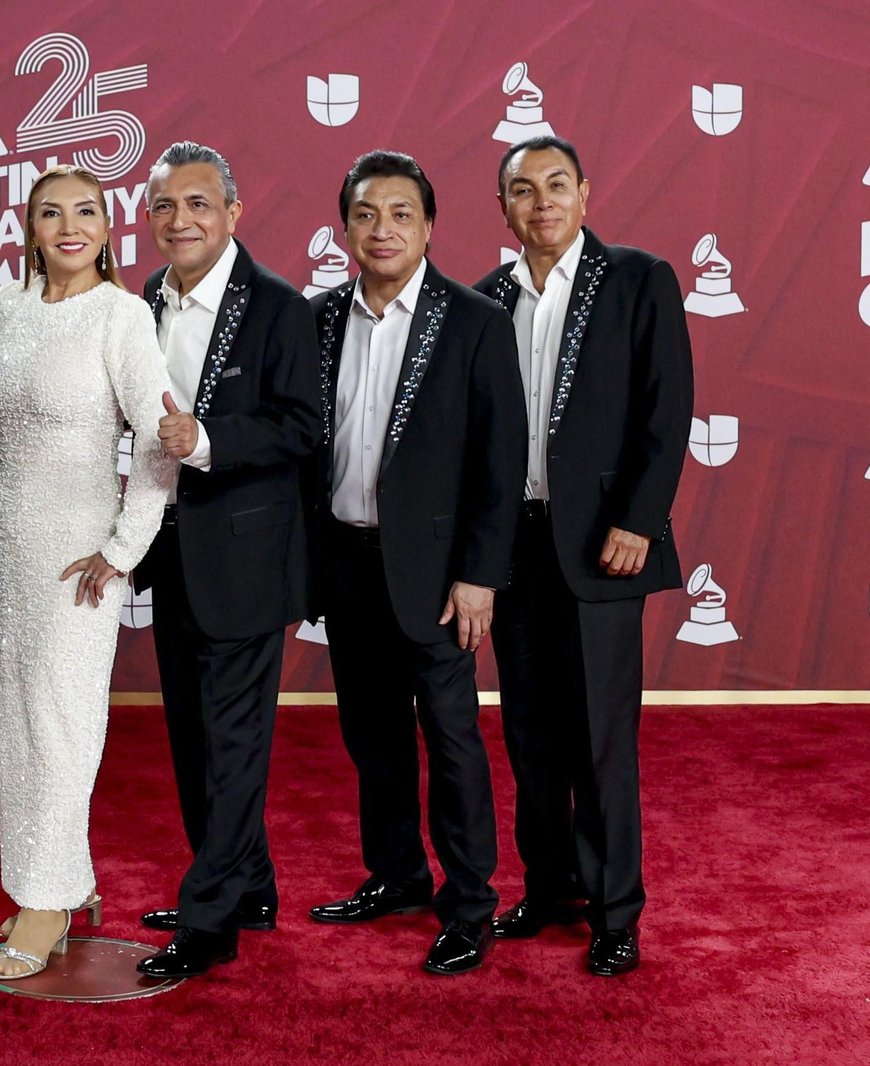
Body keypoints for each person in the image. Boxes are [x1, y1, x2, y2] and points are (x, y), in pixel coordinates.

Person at [473, 136, 693, 976]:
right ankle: (550, 885)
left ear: (585, 193)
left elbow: (666, 408)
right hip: (515, 546)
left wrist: (639, 517)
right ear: (504, 208)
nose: (542, 203)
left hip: (607, 546)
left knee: (601, 735)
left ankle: (615, 910)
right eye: (523, 191)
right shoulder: (487, 298)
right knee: (530, 731)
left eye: (556, 185)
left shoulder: (639, 279)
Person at [305, 151, 526, 975]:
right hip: (348, 564)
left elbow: (499, 465)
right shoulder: (318, 317)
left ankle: (470, 905)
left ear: (429, 226)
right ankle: (396, 874)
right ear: (346, 226)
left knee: (452, 738)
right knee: (373, 737)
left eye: (401, 213)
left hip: (439, 579)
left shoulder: (473, 322)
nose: (383, 229)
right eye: (366, 213)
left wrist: (480, 576)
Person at [0, 164, 174, 979]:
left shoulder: (120, 315)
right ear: (30, 227)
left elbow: (162, 441)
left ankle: (45, 903)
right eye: (51, 213)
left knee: (59, 729)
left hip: (77, 561)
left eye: (85, 211)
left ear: (107, 225)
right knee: (14, 725)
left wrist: (122, 551)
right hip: (4, 550)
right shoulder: (6, 306)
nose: (69, 227)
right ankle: (65, 880)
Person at [132, 142, 324, 980]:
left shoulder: (281, 307)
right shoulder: (140, 300)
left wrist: (208, 440)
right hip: (167, 548)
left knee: (234, 740)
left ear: (234, 213)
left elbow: (301, 425)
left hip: (246, 557)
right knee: (192, 737)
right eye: (166, 206)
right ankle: (246, 885)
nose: (182, 220)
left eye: (199, 203)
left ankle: (209, 921)